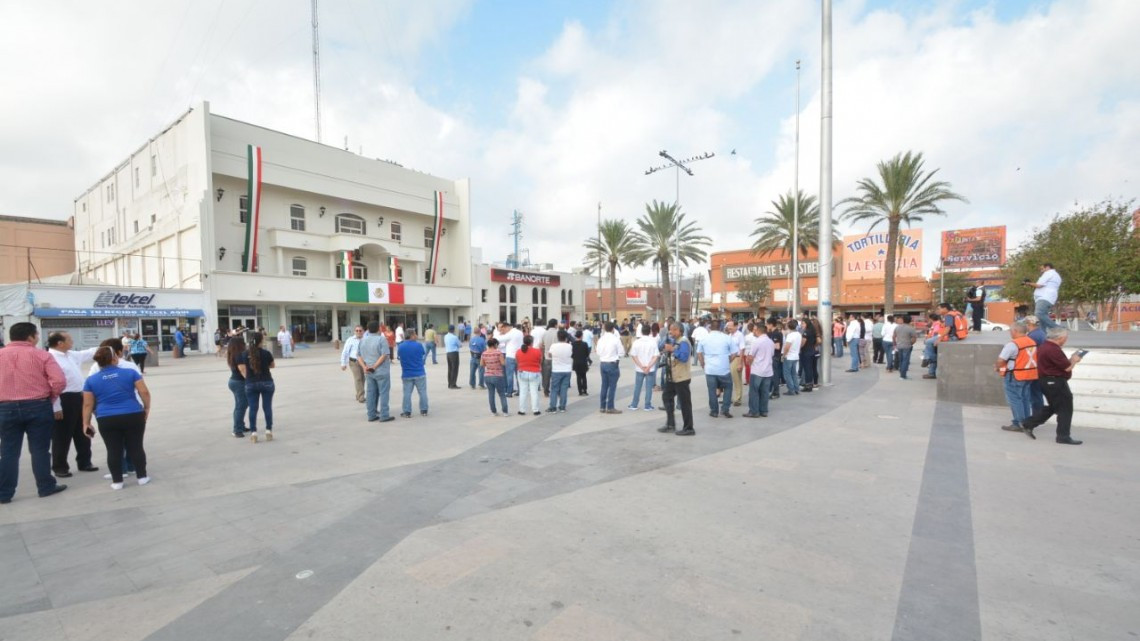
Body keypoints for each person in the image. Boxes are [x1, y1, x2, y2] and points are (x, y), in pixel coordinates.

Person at [0, 322, 68, 504]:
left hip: (5, 408)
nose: (38, 338)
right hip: (38, 405)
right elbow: (59, 381)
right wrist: (50, 397)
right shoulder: (41, 355)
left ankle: (4, 493)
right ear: (30, 337)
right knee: (40, 450)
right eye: (36, 335)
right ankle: (45, 487)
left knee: (8, 452)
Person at [82, 345, 152, 489]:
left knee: (113, 449)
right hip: (133, 414)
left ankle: (117, 481)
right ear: (115, 358)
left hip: (107, 418)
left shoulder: (91, 380)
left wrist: (86, 423)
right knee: (136, 447)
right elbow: (144, 392)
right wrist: (146, 408)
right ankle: (142, 477)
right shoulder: (131, 373)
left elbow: (88, 405)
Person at [46, 332, 100, 477]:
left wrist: (109, 344)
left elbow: (88, 353)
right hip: (64, 398)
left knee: (83, 430)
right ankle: (60, 467)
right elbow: (50, 385)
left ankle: (85, 462)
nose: (72, 341)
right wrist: (56, 406)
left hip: (80, 397)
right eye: (69, 339)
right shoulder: (49, 359)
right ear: (59, 343)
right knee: (61, 435)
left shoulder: (70, 354)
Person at [1019, 327, 1083, 444]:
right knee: (1065, 408)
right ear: (1060, 338)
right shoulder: (1053, 349)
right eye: (1065, 337)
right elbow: (1067, 367)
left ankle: (1029, 423)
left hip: (1047, 381)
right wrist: (1074, 360)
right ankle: (1063, 436)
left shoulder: (1045, 346)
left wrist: (1070, 360)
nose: (1066, 339)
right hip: (1055, 382)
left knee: (1055, 406)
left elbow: (1060, 364)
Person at [87, 339, 140, 479]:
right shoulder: (130, 366)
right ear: (118, 352)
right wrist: (145, 408)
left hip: (106, 412)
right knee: (132, 441)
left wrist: (92, 412)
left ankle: (120, 470)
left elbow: (90, 392)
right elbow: (142, 390)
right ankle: (132, 467)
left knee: (114, 444)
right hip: (133, 408)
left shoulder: (96, 367)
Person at [996, 322, 1037, 434]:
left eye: (1010, 331)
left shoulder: (1013, 344)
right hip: (1029, 375)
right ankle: (1025, 422)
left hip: (1015, 375)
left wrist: (998, 368)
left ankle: (1020, 424)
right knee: (1024, 399)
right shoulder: (1031, 341)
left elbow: (1001, 360)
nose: (1010, 333)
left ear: (1015, 331)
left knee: (1015, 400)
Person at [236, 331, 275, 442]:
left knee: (253, 408)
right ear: (261, 341)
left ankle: (254, 433)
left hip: (251, 383)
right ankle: (268, 430)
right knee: (267, 407)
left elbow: (242, 368)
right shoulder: (266, 353)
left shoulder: (243, 354)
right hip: (267, 382)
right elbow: (273, 365)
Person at [658, 322, 694, 436]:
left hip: (681, 377)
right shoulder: (674, 341)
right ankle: (670, 424)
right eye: (670, 329)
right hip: (672, 377)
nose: (671, 332)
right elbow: (662, 348)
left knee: (684, 403)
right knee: (666, 396)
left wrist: (672, 350)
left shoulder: (683, 342)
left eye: (674, 330)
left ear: (680, 331)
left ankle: (689, 428)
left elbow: (683, 357)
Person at [697, 320, 735, 417]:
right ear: (721, 328)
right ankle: (725, 409)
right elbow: (734, 353)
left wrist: (702, 363)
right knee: (728, 388)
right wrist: (728, 360)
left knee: (712, 390)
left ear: (710, 327)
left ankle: (714, 411)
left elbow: (699, 353)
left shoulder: (704, 338)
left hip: (710, 369)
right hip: (724, 369)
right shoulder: (727, 338)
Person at [360, 321, 394, 423]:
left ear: (367, 329)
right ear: (379, 329)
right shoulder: (381, 339)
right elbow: (384, 355)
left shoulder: (363, 340)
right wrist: (374, 366)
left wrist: (364, 367)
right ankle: (384, 415)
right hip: (381, 370)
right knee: (383, 392)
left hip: (368, 371)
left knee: (370, 393)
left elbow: (358, 355)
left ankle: (371, 415)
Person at [744, 322, 775, 418]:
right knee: (765, 392)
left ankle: (754, 411)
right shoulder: (770, 342)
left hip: (757, 370)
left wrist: (749, 362)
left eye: (754, 329)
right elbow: (772, 355)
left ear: (758, 330)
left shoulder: (757, 341)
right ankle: (764, 410)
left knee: (754, 392)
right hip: (768, 371)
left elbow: (750, 356)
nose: (753, 331)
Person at [398, 329, 429, 418]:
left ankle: (407, 412)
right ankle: (424, 410)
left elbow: (400, 357)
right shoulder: (418, 345)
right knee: (422, 392)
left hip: (407, 373)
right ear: (411, 335)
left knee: (407, 393)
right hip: (419, 372)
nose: (416, 336)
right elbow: (422, 355)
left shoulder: (401, 346)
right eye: (415, 334)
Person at [627, 324, 659, 411]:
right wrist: (648, 366)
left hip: (639, 368)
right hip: (650, 368)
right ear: (650, 332)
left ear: (641, 332)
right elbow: (656, 356)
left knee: (638, 386)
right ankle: (647, 405)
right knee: (649, 387)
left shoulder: (637, 342)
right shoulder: (653, 342)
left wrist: (641, 366)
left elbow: (634, 356)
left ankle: (634, 404)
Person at [595, 321, 624, 413]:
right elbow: (622, 353)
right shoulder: (615, 339)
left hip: (603, 363)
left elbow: (598, 352)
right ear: (613, 329)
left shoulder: (601, 339)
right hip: (612, 363)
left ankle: (602, 406)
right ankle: (610, 407)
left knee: (604, 385)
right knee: (612, 387)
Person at [226, 334, 249, 437]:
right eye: (243, 343)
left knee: (240, 405)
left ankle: (241, 425)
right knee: (241, 406)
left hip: (233, 381)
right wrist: (250, 380)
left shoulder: (232, 354)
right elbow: (242, 370)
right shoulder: (239, 355)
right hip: (239, 383)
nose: (245, 344)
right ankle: (237, 430)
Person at [514, 334, 543, 416]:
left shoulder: (518, 351)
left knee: (523, 392)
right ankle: (535, 410)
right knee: (534, 392)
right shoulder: (537, 351)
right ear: (532, 342)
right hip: (534, 372)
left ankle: (522, 410)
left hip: (522, 372)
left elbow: (517, 361)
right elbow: (540, 361)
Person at [1028, 262, 1062, 330]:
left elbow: (1039, 285)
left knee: (1039, 313)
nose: (1041, 270)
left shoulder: (1049, 273)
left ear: (1047, 267)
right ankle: (1043, 334)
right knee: (1042, 318)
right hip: (1050, 298)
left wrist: (1028, 283)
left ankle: (1057, 328)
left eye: (1042, 269)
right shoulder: (1057, 276)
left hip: (1044, 297)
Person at [546, 330, 573, 413]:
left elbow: (549, 355)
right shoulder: (569, 346)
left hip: (556, 370)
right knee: (564, 389)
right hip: (567, 370)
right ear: (566, 338)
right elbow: (571, 354)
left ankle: (553, 407)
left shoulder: (554, 346)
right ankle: (562, 407)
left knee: (554, 389)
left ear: (558, 337)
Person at [481, 338, 509, 416]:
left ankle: (493, 411)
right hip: (498, 375)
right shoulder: (499, 353)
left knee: (491, 394)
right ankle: (505, 411)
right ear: (495, 344)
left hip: (487, 375)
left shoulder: (484, 353)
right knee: (502, 394)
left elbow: (482, 364)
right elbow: (503, 363)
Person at [496, 322, 525, 397]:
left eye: (503, 329)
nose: (503, 331)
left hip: (510, 356)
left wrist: (501, 333)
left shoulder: (510, 333)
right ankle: (520, 391)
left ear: (506, 327)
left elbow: (498, 339)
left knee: (509, 375)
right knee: (518, 375)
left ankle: (509, 392)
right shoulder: (520, 332)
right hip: (519, 356)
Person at [340, 326, 366, 403]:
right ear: (354, 331)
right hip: (354, 362)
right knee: (358, 378)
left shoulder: (366, 339)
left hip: (364, 362)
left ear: (363, 331)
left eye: (360, 330)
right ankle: (361, 396)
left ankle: (358, 394)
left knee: (363, 379)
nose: (358, 332)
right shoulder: (350, 340)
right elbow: (345, 352)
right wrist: (343, 363)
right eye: (357, 330)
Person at [893, 314, 918, 380]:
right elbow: (914, 338)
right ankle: (903, 375)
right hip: (907, 346)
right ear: (910, 320)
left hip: (899, 346)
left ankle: (901, 374)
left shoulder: (897, 327)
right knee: (905, 361)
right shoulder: (911, 328)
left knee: (901, 360)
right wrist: (911, 343)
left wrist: (895, 344)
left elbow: (893, 336)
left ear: (903, 320)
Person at [782, 319, 802, 396]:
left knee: (787, 374)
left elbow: (787, 347)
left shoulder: (790, 335)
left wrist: (783, 355)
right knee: (794, 373)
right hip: (795, 356)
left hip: (789, 356)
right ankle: (796, 389)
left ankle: (791, 389)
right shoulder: (799, 334)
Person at [728, 321, 745, 406]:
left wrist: (740, 363)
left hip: (737, 358)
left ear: (736, 326)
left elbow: (742, 349)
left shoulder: (739, 335)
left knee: (737, 380)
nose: (729, 328)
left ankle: (738, 399)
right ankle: (729, 398)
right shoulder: (730, 335)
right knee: (729, 380)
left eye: (730, 326)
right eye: (728, 326)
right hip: (730, 359)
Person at [798, 317, 817, 392]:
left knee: (807, 369)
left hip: (806, 352)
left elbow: (803, 342)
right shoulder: (812, 331)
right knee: (811, 369)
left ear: (807, 324)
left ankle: (808, 386)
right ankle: (810, 384)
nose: (802, 325)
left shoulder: (806, 332)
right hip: (812, 351)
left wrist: (799, 348)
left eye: (803, 323)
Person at [540, 319, 559, 397]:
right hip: (556, 358)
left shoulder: (545, 333)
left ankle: (546, 391)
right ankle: (556, 391)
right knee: (556, 376)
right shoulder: (558, 333)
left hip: (547, 357)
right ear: (555, 325)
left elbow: (541, 345)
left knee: (546, 376)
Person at [767, 318, 785, 398]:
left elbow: (777, 346)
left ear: (771, 324)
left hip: (775, 356)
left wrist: (767, 344)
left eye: (767, 324)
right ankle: (770, 390)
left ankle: (776, 392)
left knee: (775, 375)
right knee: (772, 374)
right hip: (772, 356)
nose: (766, 326)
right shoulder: (772, 333)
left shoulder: (776, 333)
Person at [572, 330, 591, 396]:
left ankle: (580, 391)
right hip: (583, 362)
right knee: (584, 377)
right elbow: (587, 353)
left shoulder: (573, 344)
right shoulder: (584, 344)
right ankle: (585, 390)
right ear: (581, 336)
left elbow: (572, 354)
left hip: (576, 362)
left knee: (578, 377)